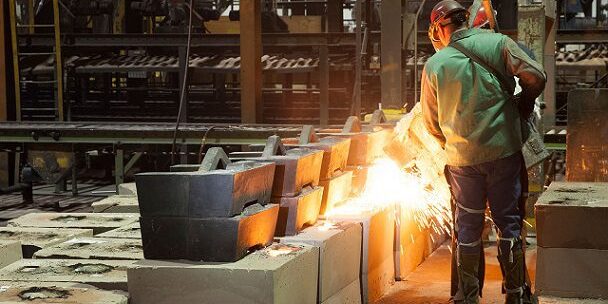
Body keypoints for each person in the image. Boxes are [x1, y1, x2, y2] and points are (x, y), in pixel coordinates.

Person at [420, 1, 546, 303]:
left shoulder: (435, 65)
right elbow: (536, 77)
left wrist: (454, 143)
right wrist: (524, 102)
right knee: (509, 224)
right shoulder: (498, 43)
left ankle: (469, 296)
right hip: (504, 154)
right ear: (466, 21)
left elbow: (431, 122)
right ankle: (516, 295)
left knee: (468, 227)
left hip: (463, 162)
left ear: (439, 28)